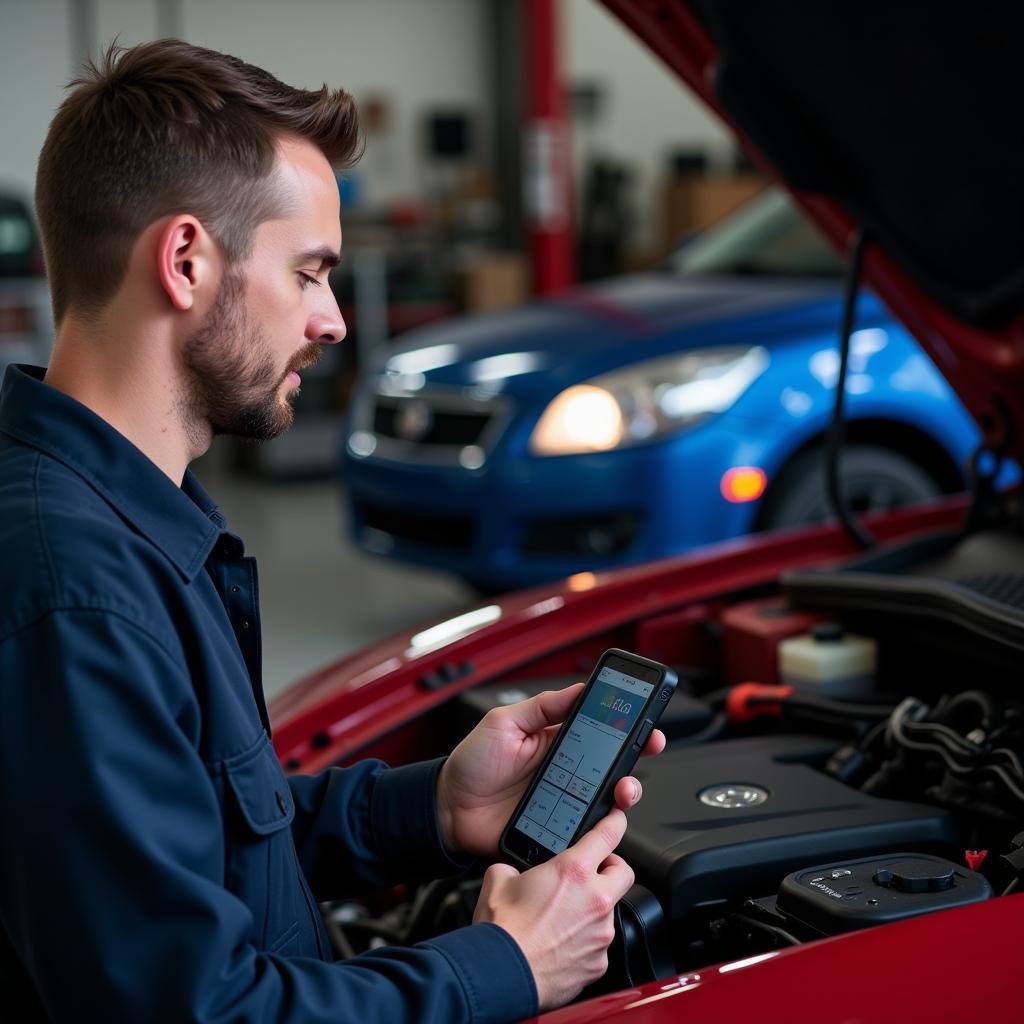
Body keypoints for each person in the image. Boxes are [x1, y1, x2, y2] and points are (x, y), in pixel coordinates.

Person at [0, 40, 665, 1023]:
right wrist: (507, 961)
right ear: (185, 261)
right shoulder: (75, 592)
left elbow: (205, 841)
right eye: (310, 272)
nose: (335, 321)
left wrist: (437, 804)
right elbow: (199, 1010)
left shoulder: (122, 526)